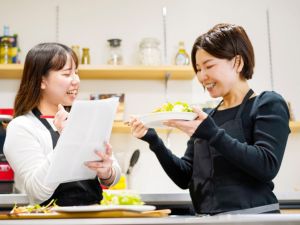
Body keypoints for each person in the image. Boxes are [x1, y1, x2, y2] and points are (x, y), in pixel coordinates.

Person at [129, 23, 290, 215]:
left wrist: (212, 133)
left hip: (255, 219)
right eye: (198, 68)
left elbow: (267, 166)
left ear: (237, 62)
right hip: (209, 220)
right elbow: (185, 177)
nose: (201, 76)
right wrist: (153, 140)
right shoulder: (209, 116)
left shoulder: (267, 103)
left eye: (209, 66)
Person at [4, 43, 121, 206]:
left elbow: (113, 174)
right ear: (41, 81)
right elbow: (37, 192)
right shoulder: (22, 127)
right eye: (67, 74)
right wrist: (67, 141)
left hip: (93, 216)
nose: (76, 81)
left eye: (77, 73)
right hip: (51, 221)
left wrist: (107, 171)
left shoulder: (84, 119)